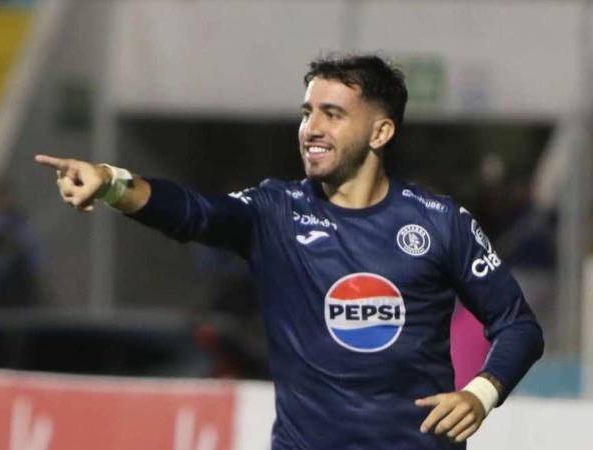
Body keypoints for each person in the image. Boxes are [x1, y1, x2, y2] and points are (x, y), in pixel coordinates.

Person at [36, 54, 544, 449]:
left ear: (380, 131)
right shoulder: (276, 212)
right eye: (307, 113)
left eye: (332, 114)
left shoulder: (438, 221)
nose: (311, 128)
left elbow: (518, 325)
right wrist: (112, 184)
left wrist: (481, 394)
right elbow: (195, 212)